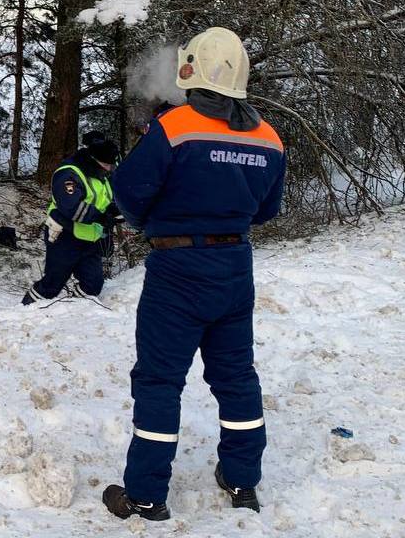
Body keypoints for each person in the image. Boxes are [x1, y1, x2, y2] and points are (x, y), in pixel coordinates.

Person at [102, 27, 286, 521]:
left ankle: (144, 494)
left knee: (160, 381)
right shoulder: (269, 137)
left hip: (177, 271)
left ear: (194, 69)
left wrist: (159, 223)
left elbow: (129, 191)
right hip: (234, 270)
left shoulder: (175, 126)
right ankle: (243, 481)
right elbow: (267, 210)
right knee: (236, 378)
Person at [22, 132, 121, 305]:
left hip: (89, 238)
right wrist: (101, 217)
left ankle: (70, 311)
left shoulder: (102, 176)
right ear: (93, 159)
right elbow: (71, 207)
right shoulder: (68, 174)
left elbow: (106, 201)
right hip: (64, 236)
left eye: (111, 166)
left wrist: (116, 213)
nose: (109, 169)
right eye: (106, 165)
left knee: (93, 284)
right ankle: (25, 310)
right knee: (52, 285)